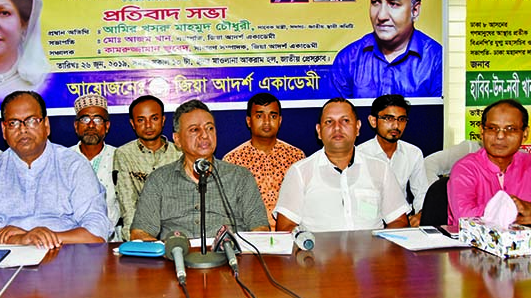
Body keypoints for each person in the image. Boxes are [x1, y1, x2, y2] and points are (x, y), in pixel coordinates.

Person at [0, 91, 111, 248]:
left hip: (65, 258)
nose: (23, 129)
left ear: (46, 125)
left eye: (32, 121)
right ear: (3, 130)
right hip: (6, 263)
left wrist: (44, 237)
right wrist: (20, 240)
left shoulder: (74, 166)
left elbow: (97, 232)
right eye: (13, 123)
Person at [130, 100, 269, 240]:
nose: (204, 135)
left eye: (210, 128)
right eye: (194, 130)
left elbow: (260, 229)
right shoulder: (159, 180)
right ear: (177, 139)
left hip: (229, 257)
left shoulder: (240, 177)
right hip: (176, 257)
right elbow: (140, 233)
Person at [274, 97, 409, 232]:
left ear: (357, 127)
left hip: (371, 252)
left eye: (345, 121)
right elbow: (285, 227)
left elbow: (398, 220)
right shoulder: (300, 172)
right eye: (329, 122)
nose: (337, 127)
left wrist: (380, 247)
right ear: (319, 131)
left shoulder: (380, 169)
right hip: (316, 252)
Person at [330, 0, 442, 98]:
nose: (381, 15)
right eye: (375, 2)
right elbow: (335, 117)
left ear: (415, 10)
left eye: (393, 4)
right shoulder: (347, 60)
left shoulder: (437, 60)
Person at [448, 99, 531, 226]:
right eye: (492, 128)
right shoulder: (465, 168)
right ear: (482, 131)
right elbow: (465, 217)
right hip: (472, 245)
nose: (500, 136)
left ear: (525, 134)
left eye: (510, 129)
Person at [223, 93, 305, 229]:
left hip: (290, 235)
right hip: (249, 237)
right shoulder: (232, 160)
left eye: (273, 116)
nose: (267, 122)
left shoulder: (296, 157)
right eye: (259, 116)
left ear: (280, 120)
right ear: (249, 121)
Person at [114, 95, 180, 240]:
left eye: (154, 118)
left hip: (178, 230)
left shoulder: (179, 152)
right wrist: (137, 238)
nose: (148, 125)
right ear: (132, 123)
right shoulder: (124, 154)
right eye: (141, 120)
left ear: (163, 120)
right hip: (141, 230)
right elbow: (127, 203)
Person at [357, 94, 428, 227]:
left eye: (401, 119)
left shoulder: (413, 153)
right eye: (388, 118)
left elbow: (421, 192)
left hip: (403, 220)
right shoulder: (360, 155)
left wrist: (421, 214)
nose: (396, 125)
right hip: (369, 221)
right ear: (373, 121)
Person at [70, 94, 121, 241]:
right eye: (85, 119)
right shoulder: (63, 159)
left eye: (97, 119)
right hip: (70, 240)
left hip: (111, 240)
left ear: (107, 126)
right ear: (76, 126)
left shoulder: (119, 157)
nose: (91, 125)